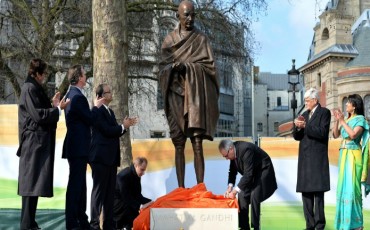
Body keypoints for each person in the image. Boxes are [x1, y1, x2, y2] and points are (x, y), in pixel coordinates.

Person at [158, 0, 219, 188]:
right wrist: (172, 68)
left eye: (193, 14)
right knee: (178, 143)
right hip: (176, 95)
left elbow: (210, 68)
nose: (190, 19)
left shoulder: (201, 40)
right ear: (178, 16)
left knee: (197, 142)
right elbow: (161, 69)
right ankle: (181, 188)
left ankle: (200, 186)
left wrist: (188, 67)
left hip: (195, 96)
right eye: (186, 15)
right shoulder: (169, 40)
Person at [17, 58, 70, 230]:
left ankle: (30, 222)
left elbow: (40, 112)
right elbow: (38, 115)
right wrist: (57, 109)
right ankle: (27, 223)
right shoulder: (29, 88)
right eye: (44, 73)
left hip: (36, 143)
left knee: (34, 185)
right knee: (30, 185)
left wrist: (53, 105)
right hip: (33, 143)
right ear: (37, 74)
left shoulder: (33, 88)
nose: (45, 77)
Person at [89, 84, 138, 230]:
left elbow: (114, 131)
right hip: (100, 158)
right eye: (108, 92)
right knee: (99, 192)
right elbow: (107, 130)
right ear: (101, 96)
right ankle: (95, 224)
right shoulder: (97, 110)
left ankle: (109, 225)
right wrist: (122, 126)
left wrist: (125, 126)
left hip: (110, 159)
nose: (111, 94)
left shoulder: (109, 111)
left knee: (109, 193)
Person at [62, 65, 105, 230]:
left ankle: (80, 219)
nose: (86, 76)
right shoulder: (77, 97)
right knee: (76, 185)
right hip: (78, 146)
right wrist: (96, 106)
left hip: (76, 146)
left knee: (79, 184)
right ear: (79, 77)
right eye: (84, 74)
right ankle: (73, 222)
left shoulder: (70, 94)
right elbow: (90, 119)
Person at [293, 87, 331, 230]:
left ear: (315, 100)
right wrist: (297, 127)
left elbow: (322, 132)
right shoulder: (304, 114)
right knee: (306, 194)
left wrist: (306, 125)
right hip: (304, 159)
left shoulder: (324, 113)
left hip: (317, 159)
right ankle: (309, 225)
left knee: (318, 194)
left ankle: (319, 225)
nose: (306, 103)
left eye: (307, 100)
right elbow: (297, 137)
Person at [218, 139, 277, 230]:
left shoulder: (246, 149)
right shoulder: (233, 152)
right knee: (242, 195)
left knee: (254, 195)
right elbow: (232, 171)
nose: (226, 158)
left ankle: (256, 227)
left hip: (264, 170)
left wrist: (234, 191)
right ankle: (244, 227)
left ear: (231, 149)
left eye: (226, 156)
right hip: (253, 173)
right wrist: (230, 187)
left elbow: (248, 174)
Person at [332, 94, 370, 230]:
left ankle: (356, 225)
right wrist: (337, 120)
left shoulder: (360, 120)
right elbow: (335, 135)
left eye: (348, 103)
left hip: (353, 157)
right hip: (344, 155)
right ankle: (344, 224)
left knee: (352, 189)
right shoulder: (347, 119)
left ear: (354, 106)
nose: (346, 105)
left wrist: (342, 121)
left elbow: (353, 135)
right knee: (343, 189)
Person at [114, 157, 153, 230]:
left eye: (144, 170)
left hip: (127, 204)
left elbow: (137, 195)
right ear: (136, 166)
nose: (143, 173)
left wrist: (150, 202)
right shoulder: (124, 175)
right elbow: (125, 196)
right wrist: (140, 206)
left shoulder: (137, 175)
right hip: (118, 207)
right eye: (142, 170)